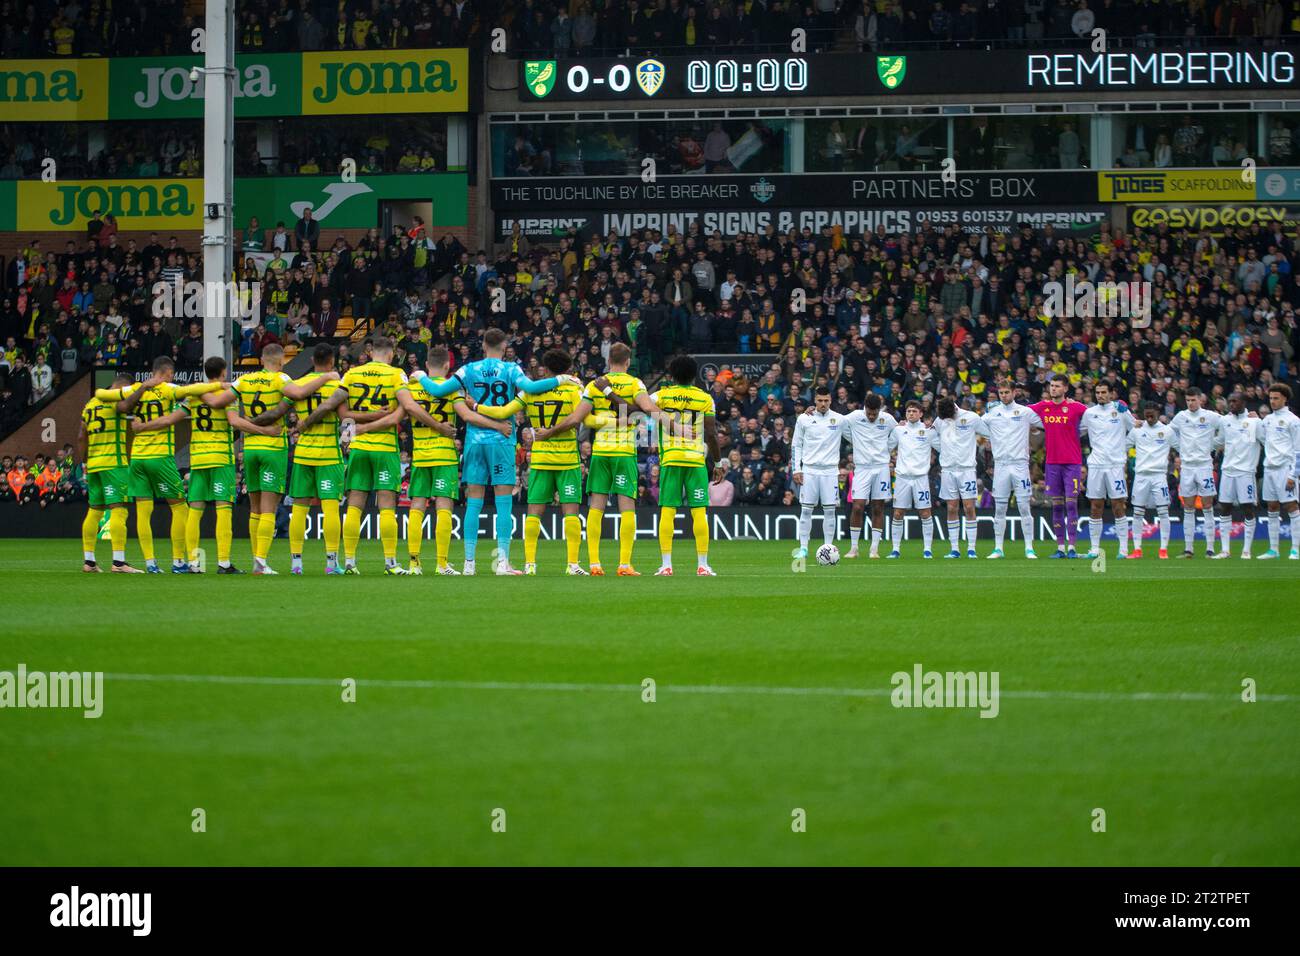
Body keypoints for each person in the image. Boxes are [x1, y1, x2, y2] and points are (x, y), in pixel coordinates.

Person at [414, 328, 571, 575]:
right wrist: (561, 379)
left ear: (484, 345)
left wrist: (422, 376)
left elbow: (437, 391)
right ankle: (502, 563)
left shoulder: (468, 369)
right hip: (502, 440)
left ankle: (468, 564)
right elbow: (530, 387)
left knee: (473, 503)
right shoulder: (511, 369)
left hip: (475, 442)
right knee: (503, 504)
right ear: (505, 346)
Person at [133, 356, 275, 574]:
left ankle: (194, 563)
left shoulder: (194, 396)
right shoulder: (227, 395)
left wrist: (143, 427)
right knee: (223, 510)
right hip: (220, 458)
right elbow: (234, 421)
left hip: (198, 459)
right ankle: (224, 563)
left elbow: (170, 420)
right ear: (223, 372)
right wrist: (265, 431)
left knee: (195, 511)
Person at [390, 346, 508, 574]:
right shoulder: (452, 388)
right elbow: (467, 415)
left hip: (420, 455)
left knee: (417, 506)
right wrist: (497, 425)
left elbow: (401, 413)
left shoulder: (413, 387)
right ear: (447, 366)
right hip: (444, 454)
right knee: (443, 506)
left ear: (426, 365)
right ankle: (441, 564)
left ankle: (414, 563)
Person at [295, 337, 407, 574]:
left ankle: (349, 562)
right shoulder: (396, 374)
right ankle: (390, 563)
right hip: (385, 447)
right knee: (386, 505)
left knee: (354, 505)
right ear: (391, 353)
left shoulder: (352, 375)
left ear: (370, 351)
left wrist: (348, 434)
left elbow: (340, 413)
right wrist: (376, 418)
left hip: (357, 447)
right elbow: (397, 416)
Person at [476, 350, 588, 575]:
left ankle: (530, 564)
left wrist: (477, 406)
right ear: (567, 369)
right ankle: (573, 565)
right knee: (571, 513)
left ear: (545, 369)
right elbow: (578, 419)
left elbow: (504, 411)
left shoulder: (530, 392)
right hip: (567, 459)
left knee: (534, 512)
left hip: (540, 460)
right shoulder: (574, 389)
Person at [544, 342, 648, 575]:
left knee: (596, 507)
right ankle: (624, 564)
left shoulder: (593, 385)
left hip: (600, 452)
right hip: (624, 451)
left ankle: (594, 563)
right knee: (626, 507)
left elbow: (575, 419)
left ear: (608, 361)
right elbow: (642, 411)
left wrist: (549, 433)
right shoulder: (635, 383)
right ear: (628, 362)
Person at [232, 343, 336, 574]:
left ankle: (257, 559)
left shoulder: (244, 381)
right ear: (281, 361)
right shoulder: (282, 379)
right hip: (273, 448)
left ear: (261, 359)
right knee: (270, 507)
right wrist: (328, 376)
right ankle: (261, 562)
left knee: (255, 508)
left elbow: (229, 407)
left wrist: (251, 426)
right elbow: (298, 394)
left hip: (249, 449)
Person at [117, 358, 225, 573]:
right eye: (171, 374)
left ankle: (150, 563)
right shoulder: (167, 389)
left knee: (143, 512)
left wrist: (142, 389)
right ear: (167, 372)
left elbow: (123, 406)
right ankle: (178, 562)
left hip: (137, 457)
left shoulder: (137, 389)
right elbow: (194, 389)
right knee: (180, 508)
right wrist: (221, 385)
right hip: (160, 457)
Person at [77, 370, 159, 573]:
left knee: (94, 511)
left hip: (94, 465)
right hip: (114, 463)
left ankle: (89, 561)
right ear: (123, 388)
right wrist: (143, 388)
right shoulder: (114, 401)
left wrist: (85, 463)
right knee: (119, 509)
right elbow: (125, 405)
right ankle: (119, 563)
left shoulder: (91, 404)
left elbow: (80, 436)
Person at [1028, 373, 1088, 558]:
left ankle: (1072, 548)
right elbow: (1019, 412)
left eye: (1057, 386)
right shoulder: (1043, 407)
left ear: (1065, 388)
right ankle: (1060, 548)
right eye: (1051, 386)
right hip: (1052, 464)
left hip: (1072, 463)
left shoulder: (1076, 407)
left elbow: (1096, 415)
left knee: (1071, 505)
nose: (1053, 388)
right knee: (1056, 506)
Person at [982, 379, 1043, 559]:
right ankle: (998, 548)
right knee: (1000, 509)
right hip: (1000, 465)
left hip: (1020, 465)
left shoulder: (1025, 412)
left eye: (1007, 392)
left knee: (1024, 506)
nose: (1004, 396)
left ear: (1014, 392)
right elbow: (973, 425)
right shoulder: (992, 413)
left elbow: (1048, 423)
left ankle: (1029, 548)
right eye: (1001, 393)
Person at [1081, 381, 1135, 559]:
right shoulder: (1089, 413)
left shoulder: (1120, 410)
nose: (1100, 395)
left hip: (1115, 466)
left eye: (1104, 392)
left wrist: (1124, 448)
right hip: (1096, 465)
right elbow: (1076, 431)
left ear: (1111, 393)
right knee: (1095, 506)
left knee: (1118, 505)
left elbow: (1136, 428)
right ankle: (1094, 549)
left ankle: (1123, 549)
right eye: (1097, 392)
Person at [791, 386, 844, 560]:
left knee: (830, 512)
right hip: (809, 470)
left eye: (826, 400)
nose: (823, 404)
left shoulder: (839, 419)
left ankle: (828, 548)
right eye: (820, 401)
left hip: (830, 472)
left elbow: (861, 425)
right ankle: (803, 548)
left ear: (830, 400)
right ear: (815, 400)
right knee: (806, 511)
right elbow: (796, 445)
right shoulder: (804, 419)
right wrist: (796, 469)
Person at [1169, 387, 1222, 558]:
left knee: (1207, 506)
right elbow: (1168, 433)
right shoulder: (1181, 417)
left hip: (1205, 466)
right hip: (1187, 468)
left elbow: (1228, 426)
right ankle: (1189, 549)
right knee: (1188, 507)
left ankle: (1210, 548)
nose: (1191, 403)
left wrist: (1213, 445)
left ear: (1201, 399)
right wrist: (1180, 447)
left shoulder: (1211, 416)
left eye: (1193, 400)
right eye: (1188, 400)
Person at [843, 393, 897, 559]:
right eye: (869, 413)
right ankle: (854, 548)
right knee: (857, 506)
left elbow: (899, 432)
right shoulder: (854, 417)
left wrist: (888, 449)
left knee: (878, 507)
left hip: (881, 468)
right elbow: (839, 424)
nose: (872, 416)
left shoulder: (887, 419)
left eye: (875, 413)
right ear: (864, 408)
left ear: (879, 409)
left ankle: (874, 549)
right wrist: (855, 441)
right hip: (862, 468)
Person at [1211, 392, 1263, 560]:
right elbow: (1219, 441)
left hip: (1246, 472)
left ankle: (1246, 550)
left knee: (1248, 508)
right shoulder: (1225, 421)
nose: (1231, 404)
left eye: (1235, 401)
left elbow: (1267, 439)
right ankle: (1225, 550)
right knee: (1224, 507)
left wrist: (1261, 421)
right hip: (1227, 471)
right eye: (1230, 401)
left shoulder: (1254, 422)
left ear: (1243, 402)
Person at [934, 397, 986, 559]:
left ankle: (971, 548)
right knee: (951, 508)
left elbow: (989, 432)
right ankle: (954, 549)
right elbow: (931, 435)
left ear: (954, 410)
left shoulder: (971, 417)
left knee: (969, 507)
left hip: (967, 470)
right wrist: (943, 449)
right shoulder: (940, 419)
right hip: (948, 470)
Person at [887, 400, 939, 558]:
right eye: (909, 411)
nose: (911, 413)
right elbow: (887, 448)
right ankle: (895, 549)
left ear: (921, 414)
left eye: (914, 411)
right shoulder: (899, 430)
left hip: (920, 478)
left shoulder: (928, 430)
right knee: (898, 513)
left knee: (925, 513)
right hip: (902, 477)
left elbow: (943, 447)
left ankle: (927, 549)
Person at [1127, 402, 1176, 559]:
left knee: (1163, 512)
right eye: (1146, 415)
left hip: (1159, 476)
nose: (1148, 418)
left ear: (1157, 412)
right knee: (1137, 513)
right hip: (1141, 476)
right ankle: (1137, 550)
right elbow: (1123, 446)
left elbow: (1181, 447)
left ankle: (1163, 550)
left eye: (1151, 415)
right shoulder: (1137, 430)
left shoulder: (1167, 431)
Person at [1258, 383, 1299, 561]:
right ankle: (1273, 549)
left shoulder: (1293, 420)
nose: (1272, 401)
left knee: (1291, 507)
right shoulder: (1267, 420)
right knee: (1272, 507)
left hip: (1285, 470)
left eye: (1276, 398)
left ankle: (1295, 549)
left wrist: (1293, 475)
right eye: (1271, 398)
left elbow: (1298, 450)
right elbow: (1262, 440)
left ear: (1285, 399)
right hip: (1270, 470)